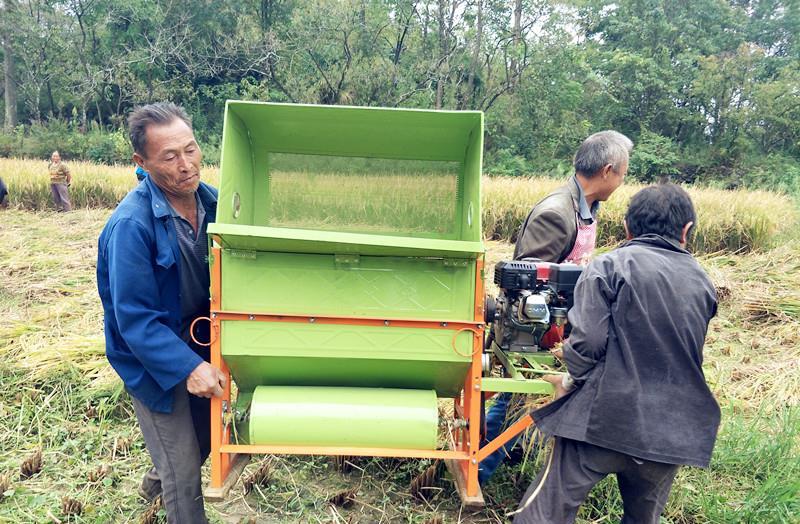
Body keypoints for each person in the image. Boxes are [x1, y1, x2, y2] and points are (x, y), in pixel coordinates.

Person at [512, 184, 720, 524]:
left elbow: (587, 344)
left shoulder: (609, 267)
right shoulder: (703, 281)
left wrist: (568, 381)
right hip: (672, 428)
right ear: (686, 231)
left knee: (543, 513)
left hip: (605, 418)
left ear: (627, 228)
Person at [481, 130, 633, 485]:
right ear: (608, 170)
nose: (623, 181)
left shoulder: (586, 208)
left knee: (520, 402)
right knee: (518, 399)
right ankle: (481, 467)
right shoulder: (557, 212)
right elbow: (526, 285)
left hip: (564, 327)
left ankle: (502, 455)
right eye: (624, 173)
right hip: (538, 331)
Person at [96, 102, 224, 523]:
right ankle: (170, 486)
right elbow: (134, 319)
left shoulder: (214, 205)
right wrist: (188, 367)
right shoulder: (131, 225)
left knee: (204, 441)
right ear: (142, 162)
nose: (186, 165)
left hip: (200, 342)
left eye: (190, 149)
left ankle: (154, 483)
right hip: (151, 359)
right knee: (184, 472)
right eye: (169, 156)